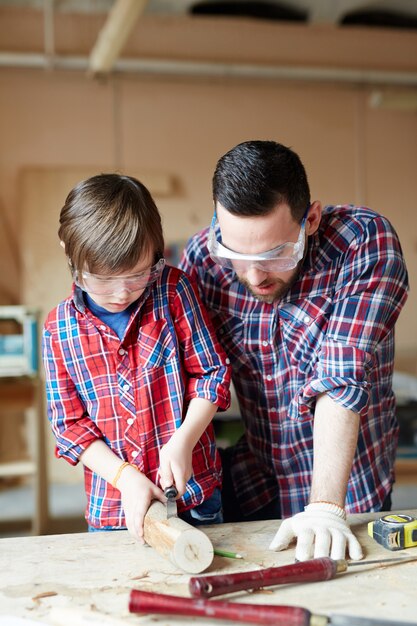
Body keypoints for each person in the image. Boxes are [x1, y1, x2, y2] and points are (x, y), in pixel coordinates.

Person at [180, 140, 409, 562]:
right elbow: (184, 372)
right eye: (236, 254)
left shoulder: (362, 243)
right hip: (261, 477)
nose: (253, 275)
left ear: (311, 219)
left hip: (349, 490)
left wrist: (325, 508)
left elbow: (340, 376)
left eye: (274, 254)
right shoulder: (203, 259)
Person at [42, 173, 231, 540]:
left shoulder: (174, 293)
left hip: (195, 497)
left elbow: (212, 375)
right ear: (68, 249)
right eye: (100, 279)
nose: (120, 293)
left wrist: (184, 441)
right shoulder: (58, 329)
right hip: (114, 508)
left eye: (137, 275)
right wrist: (124, 477)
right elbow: (69, 426)